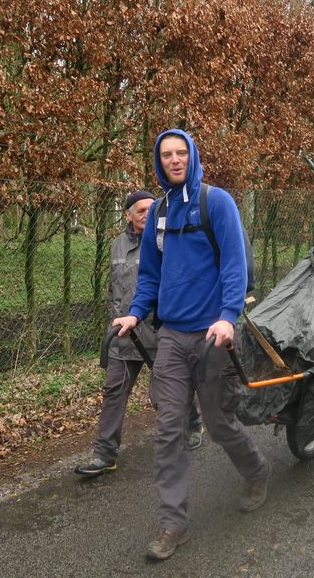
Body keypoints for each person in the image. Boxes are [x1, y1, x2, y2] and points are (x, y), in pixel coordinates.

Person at [112, 129, 269, 561]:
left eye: (182, 152)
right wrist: (135, 312)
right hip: (171, 337)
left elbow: (234, 266)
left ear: (192, 155)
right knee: (169, 429)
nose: (175, 160)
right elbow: (149, 276)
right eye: (167, 154)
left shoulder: (215, 202)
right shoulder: (158, 212)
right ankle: (172, 522)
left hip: (212, 336)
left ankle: (256, 470)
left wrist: (226, 317)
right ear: (159, 161)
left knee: (219, 424)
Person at [74, 191, 205, 477]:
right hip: (124, 333)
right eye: (141, 210)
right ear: (129, 215)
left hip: (159, 333)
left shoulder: (167, 240)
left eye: (152, 209)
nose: (147, 213)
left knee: (167, 392)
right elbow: (114, 289)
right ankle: (105, 454)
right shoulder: (117, 246)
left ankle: (192, 422)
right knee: (114, 392)